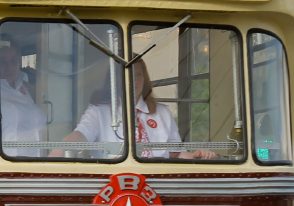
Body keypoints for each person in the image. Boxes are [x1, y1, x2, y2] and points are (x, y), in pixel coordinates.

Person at [58, 60, 218, 160]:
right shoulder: (99, 111)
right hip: (113, 183)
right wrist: (62, 147)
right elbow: (82, 134)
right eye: (127, 74)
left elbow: (175, 153)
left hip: (157, 183)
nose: (133, 80)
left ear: (145, 79)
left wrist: (195, 156)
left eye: (139, 74)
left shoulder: (162, 112)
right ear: (114, 79)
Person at [0, 42, 47, 157]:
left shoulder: (25, 85)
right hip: (7, 166)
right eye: (2, 61)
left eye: (13, 61)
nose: (9, 67)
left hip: (35, 163)